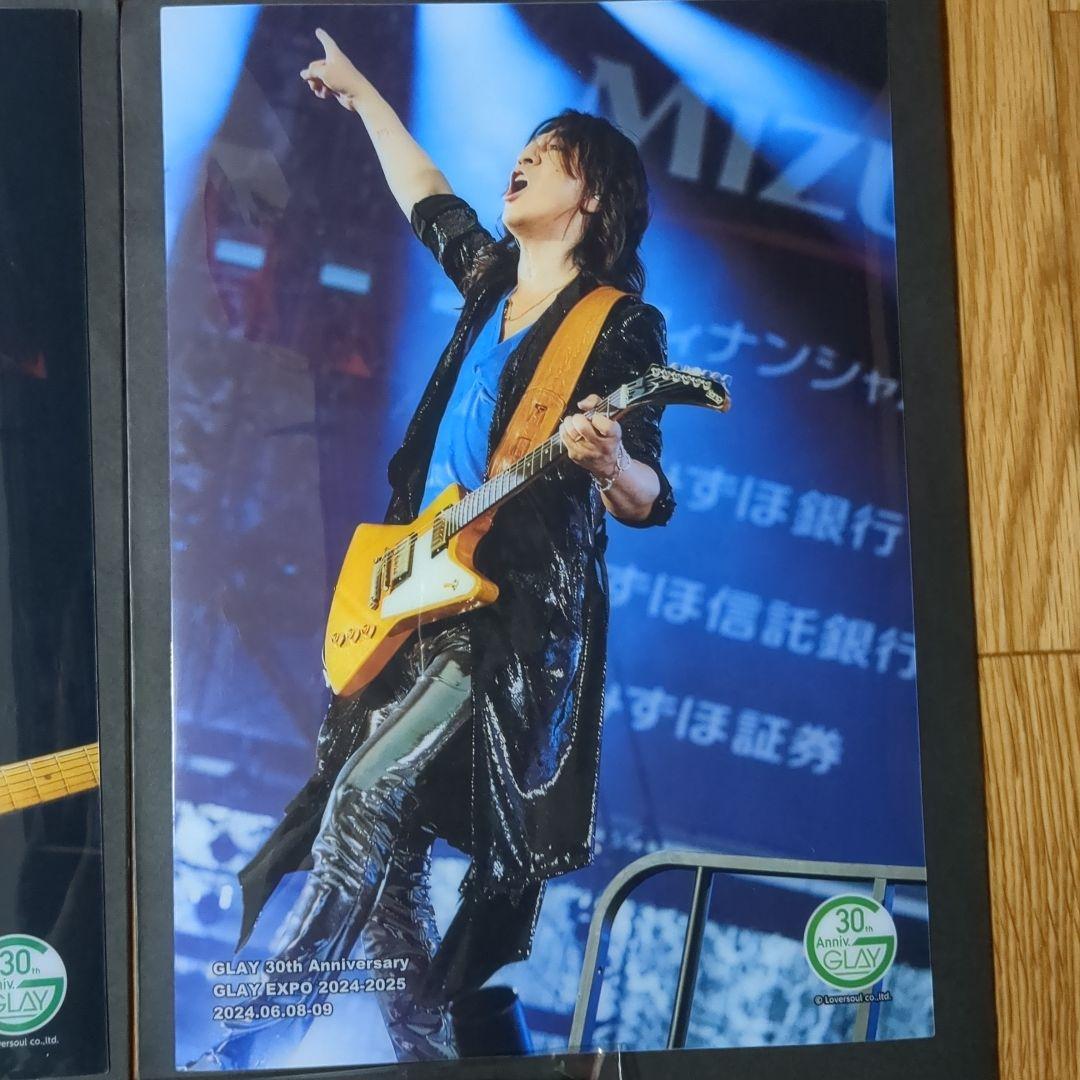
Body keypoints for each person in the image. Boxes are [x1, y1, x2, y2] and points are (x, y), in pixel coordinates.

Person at [195, 27, 676, 1069]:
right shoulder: (492, 278)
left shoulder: (620, 329)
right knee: (392, 868)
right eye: (524, 148)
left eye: (546, 154)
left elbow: (649, 495)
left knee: (364, 798)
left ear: (592, 193)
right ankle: (429, 1059)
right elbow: (428, 196)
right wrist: (364, 94)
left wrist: (606, 462)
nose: (522, 161)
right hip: (416, 588)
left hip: (503, 625)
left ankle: (245, 1040)